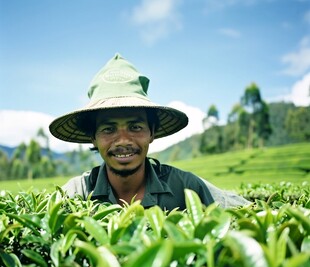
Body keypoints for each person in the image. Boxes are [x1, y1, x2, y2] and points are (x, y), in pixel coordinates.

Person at [49, 54, 250, 210]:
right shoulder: (77, 193)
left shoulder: (185, 187)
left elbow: (246, 210)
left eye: (135, 127)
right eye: (108, 129)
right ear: (93, 137)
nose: (123, 140)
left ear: (152, 132)